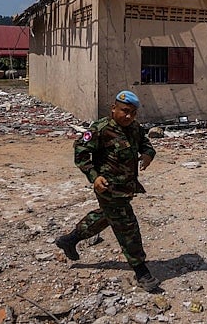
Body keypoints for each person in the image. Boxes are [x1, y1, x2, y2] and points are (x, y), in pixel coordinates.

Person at [55, 90, 160, 291]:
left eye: (133, 113)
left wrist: (148, 155)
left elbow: (145, 144)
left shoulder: (134, 128)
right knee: (127, 226)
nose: (128, 116)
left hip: (126, 188)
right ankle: (141, 271)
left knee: (106, 217)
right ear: (114, 108)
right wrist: (94, 177)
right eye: (125, 111)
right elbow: (81, 153)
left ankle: (69, 240)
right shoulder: (100, 129)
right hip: (108, 188)